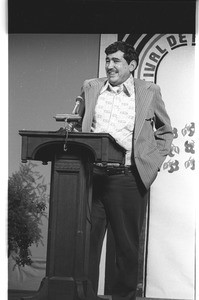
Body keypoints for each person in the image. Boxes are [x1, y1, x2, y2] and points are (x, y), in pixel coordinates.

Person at [72, 41, 173, 300]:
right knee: (86, 246)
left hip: (128, 178)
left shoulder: (149, 91)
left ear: (131, 65)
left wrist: (151, 162)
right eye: (107, 60)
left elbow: (165, 132)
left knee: (126, 250)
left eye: (116, 61)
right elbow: (76, 122)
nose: (109, 66)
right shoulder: (91, 87)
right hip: (92, 178)